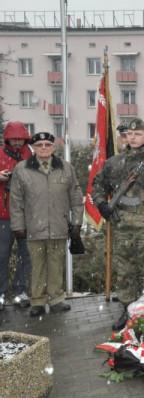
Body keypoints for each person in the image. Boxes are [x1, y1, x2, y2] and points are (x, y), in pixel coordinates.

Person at [92, 118, 144, 330]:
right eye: (129, 135)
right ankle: (128, 311)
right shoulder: (114, 163)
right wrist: (102, 205)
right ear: (125, 137)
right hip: (122, 227)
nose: (133, 137)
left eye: (138, 134)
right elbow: (97, 186)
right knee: (125, 272)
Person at [10, 132, 84, 317]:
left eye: (47, 144)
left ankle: (56, 298)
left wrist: (76, 223)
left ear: (53, 147)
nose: (44, 148)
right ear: (33, 148)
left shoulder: (66, 168)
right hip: (33, 227)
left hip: (59, 226)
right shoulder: (22, 169)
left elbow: (76, 197)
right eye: (40, 145)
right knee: (36, 266)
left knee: (56, 264)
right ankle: (38, 301)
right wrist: (18, 226)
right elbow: (16, 201)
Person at [0, 121, 32, 311]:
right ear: (8, 139)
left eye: (21, 138)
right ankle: (1, 292)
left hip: (26, 214)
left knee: (25, 255)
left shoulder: (31, 155)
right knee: (1, 255)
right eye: (15, 139)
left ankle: (21, 290)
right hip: (3, 215)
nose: (18, 142)